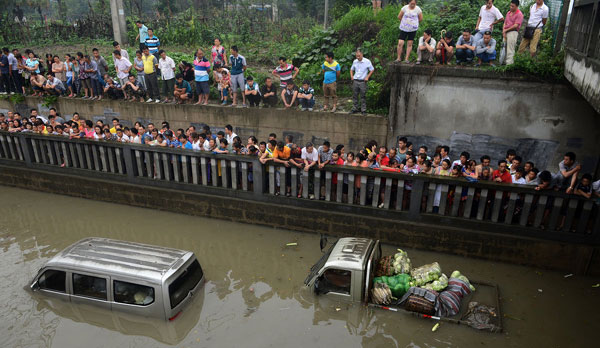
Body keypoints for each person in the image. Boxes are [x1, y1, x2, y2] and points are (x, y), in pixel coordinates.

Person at [350, 49, 374, 115]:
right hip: (355, 80)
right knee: (355, 95)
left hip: (363, 81)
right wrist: (352, 76)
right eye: (356, 56)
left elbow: (372, 69)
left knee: (363, 96)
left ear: (362, 55)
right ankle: (355, 108)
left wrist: (367, 77)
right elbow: (351, 69)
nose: (358, 57)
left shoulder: (367, 61)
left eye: (359, 56)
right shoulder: (355, 61)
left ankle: (363, 110)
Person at [503, 0, 524, 65]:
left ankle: (509, 64)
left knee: (510, 49)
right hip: (506, 31)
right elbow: (505, 23)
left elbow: (516, 25)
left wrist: (506, 30)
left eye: (513, 6)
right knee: (504, 47)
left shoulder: (519, 14)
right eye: (510, 5)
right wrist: (503, 31)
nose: (511, 7)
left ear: (517, 6)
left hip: (513, 32)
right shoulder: (508, 13)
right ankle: (503, 62)